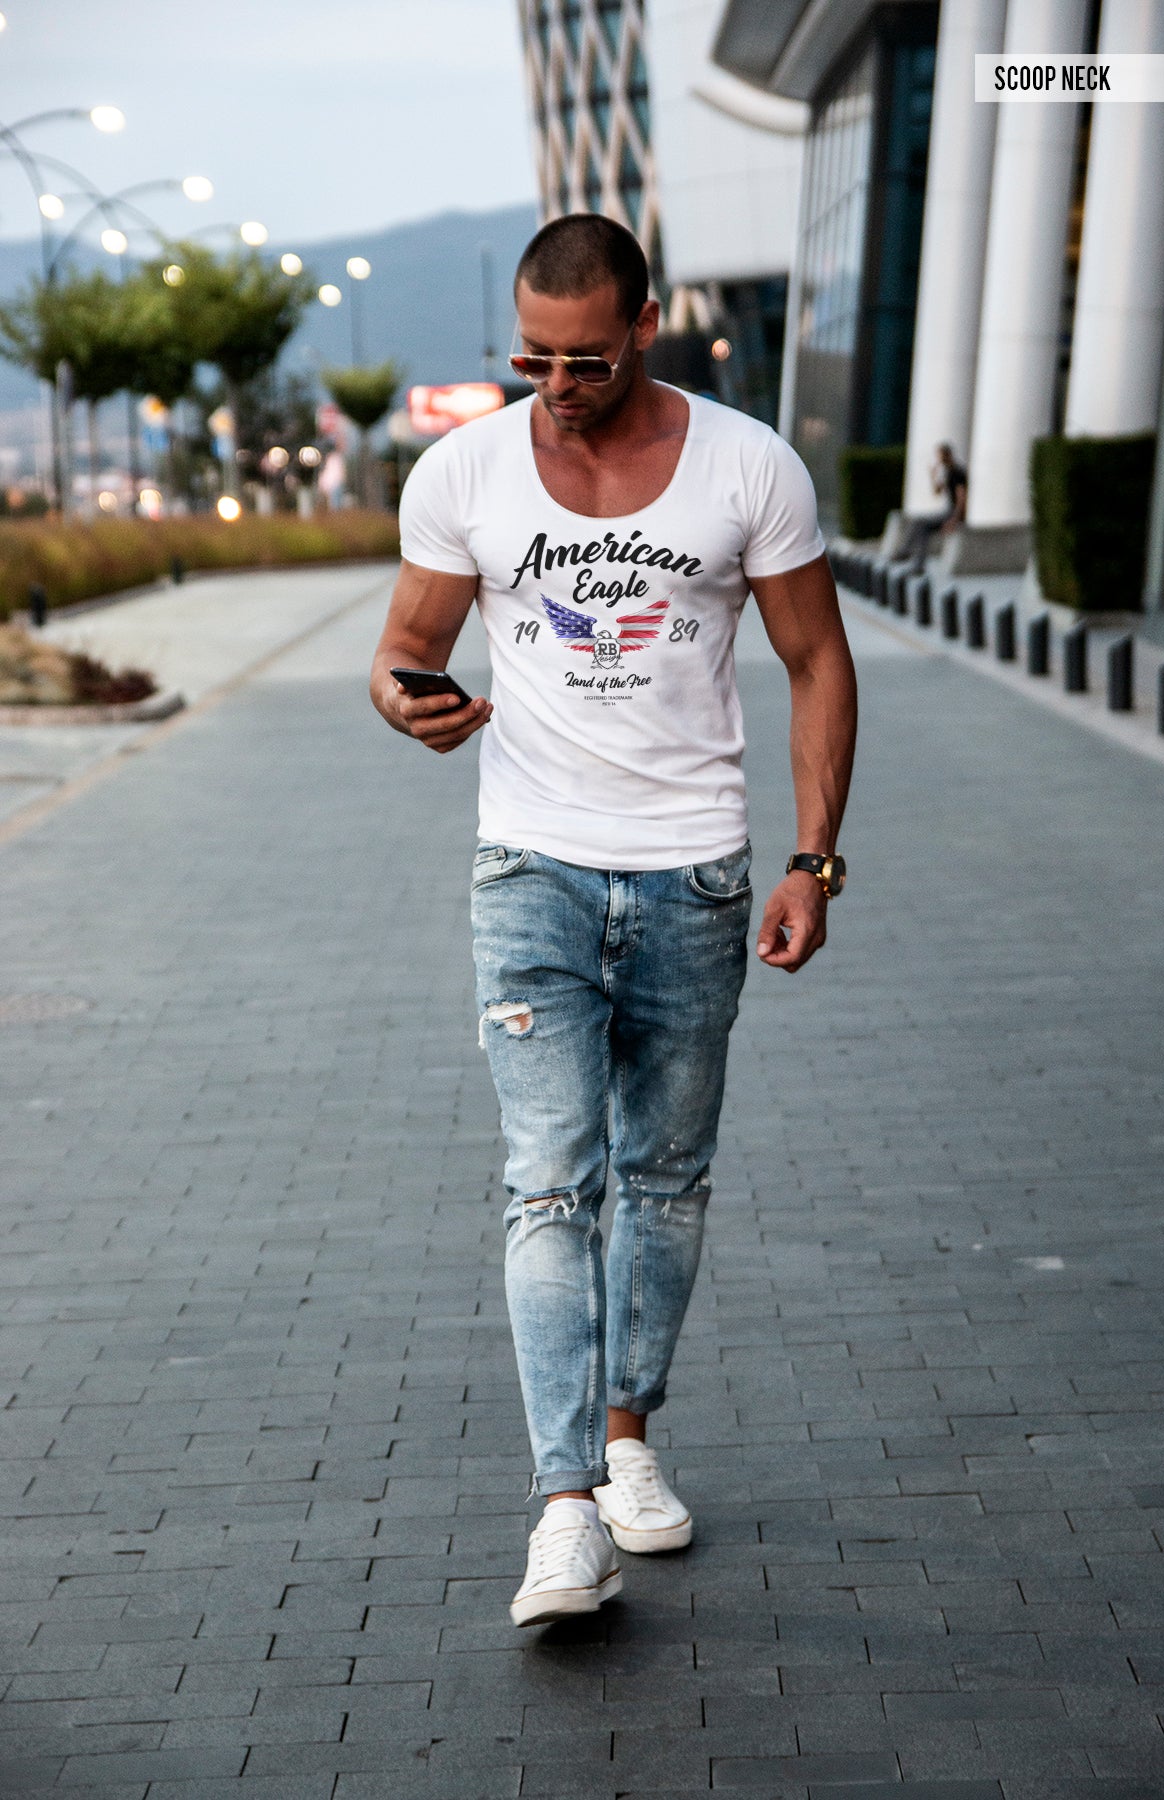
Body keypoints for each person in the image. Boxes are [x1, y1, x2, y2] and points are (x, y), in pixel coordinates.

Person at [370, 215, 857, 1629]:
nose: (558, 383)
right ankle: (566, 1507)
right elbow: (404, 653)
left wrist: (814, 863)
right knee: (548, 1181)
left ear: (646, 325)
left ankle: (629, 1435)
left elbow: (817, 660)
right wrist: (411, 704)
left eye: (585, 358)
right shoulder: (464, 470)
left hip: (696, 877)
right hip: (530, 870)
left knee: (663, 1180)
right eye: (533, 356)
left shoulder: (747, 465)